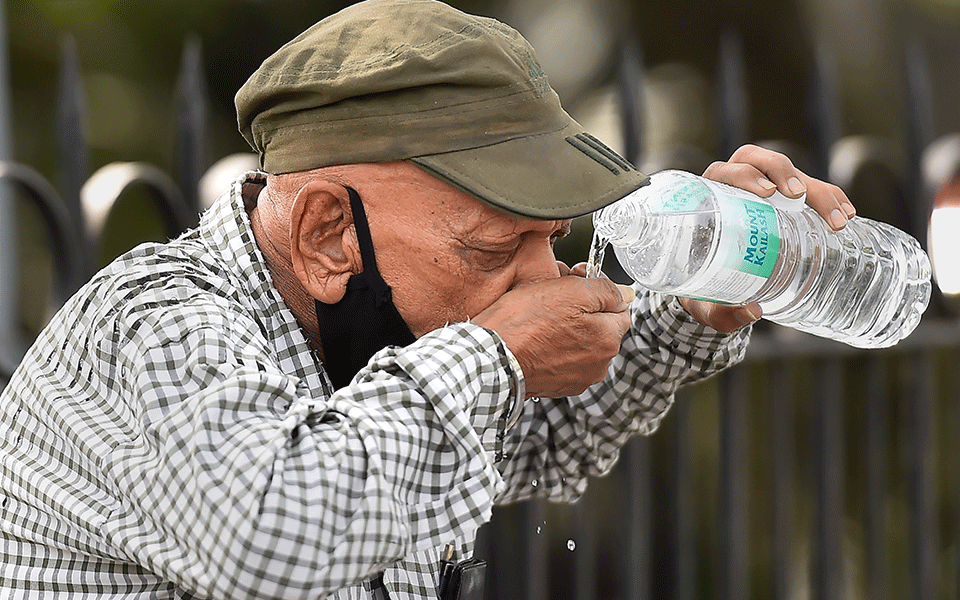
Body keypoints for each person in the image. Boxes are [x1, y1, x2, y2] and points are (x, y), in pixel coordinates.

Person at [0, 0, 857, 598]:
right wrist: (497, 354)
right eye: (492, 249)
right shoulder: (154, 327)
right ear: (328, 234)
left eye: (549, 240)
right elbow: (265, 541)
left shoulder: (373, 333)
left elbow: (545, 432)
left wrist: (699, 305)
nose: (539, 280)